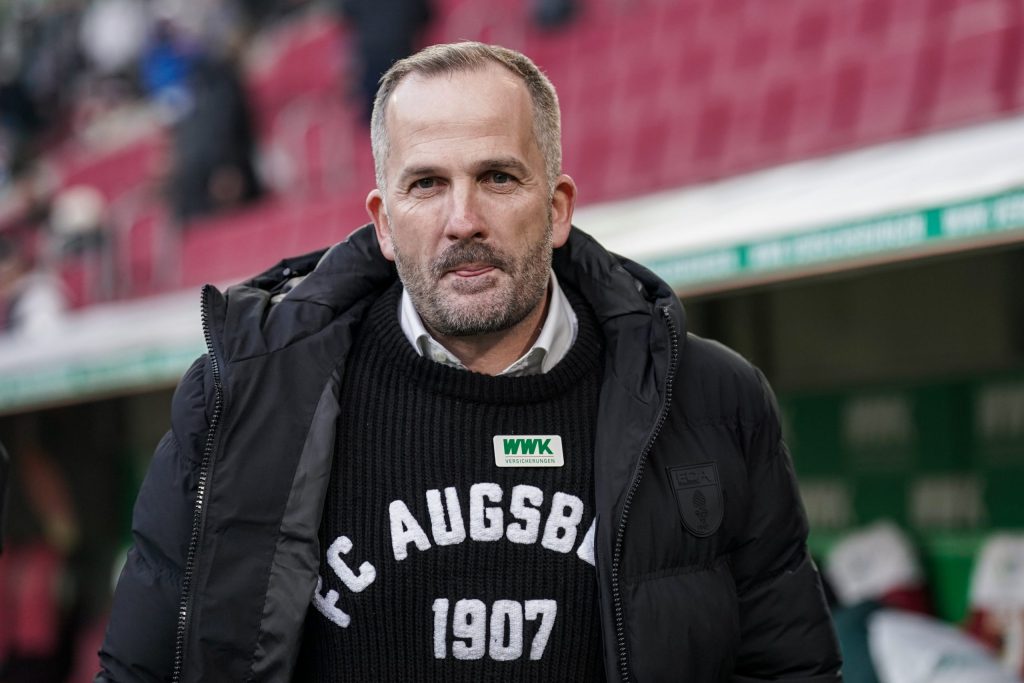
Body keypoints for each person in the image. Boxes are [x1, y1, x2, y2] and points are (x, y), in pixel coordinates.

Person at [97, 42, 841, 681]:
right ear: (384, 223)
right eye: (427, 184)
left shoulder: (713, 400)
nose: (463, 220)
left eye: (498, 178)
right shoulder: (240, 400)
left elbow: (789, 669)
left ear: (557, 207)